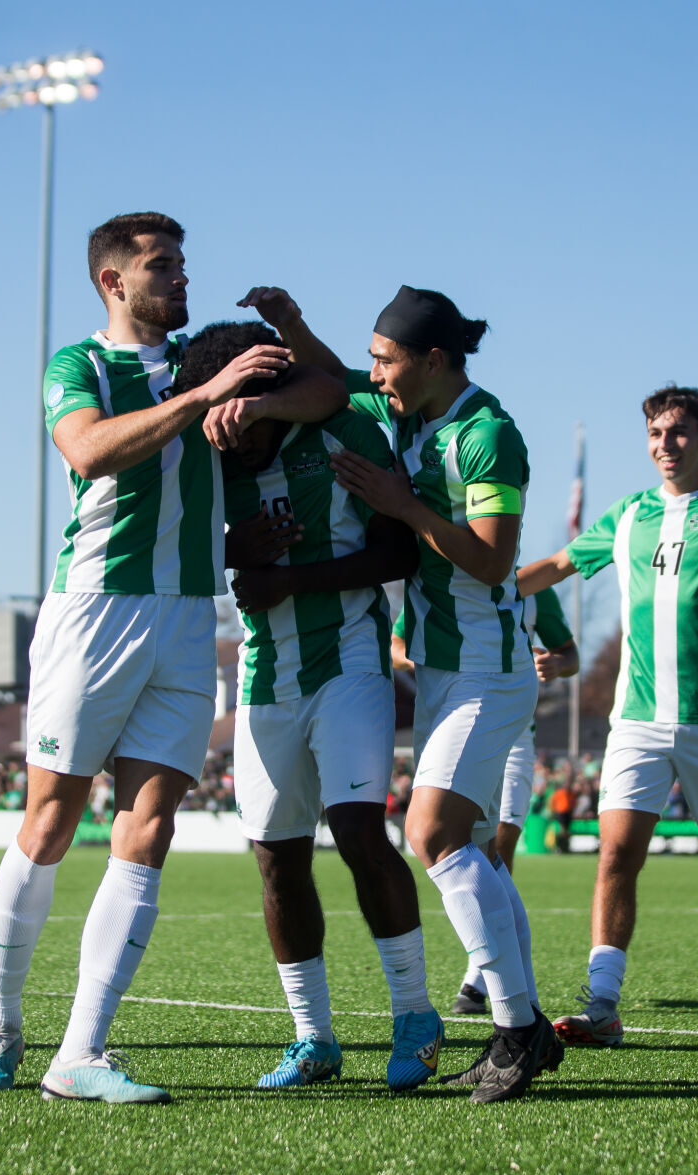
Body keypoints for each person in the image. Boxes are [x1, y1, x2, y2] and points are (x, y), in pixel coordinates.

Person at [0, 214, 345, 1104]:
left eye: (182, 264)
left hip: (186, 620)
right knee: (50, 822)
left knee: (149, 829)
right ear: (112, 282)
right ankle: (1, 1025)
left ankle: (79, 1053)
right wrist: (199, 399)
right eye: (159, 267)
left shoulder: (206, 366)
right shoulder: (80, 366)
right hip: (94, 610)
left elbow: (332, 391)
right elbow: (90, 450)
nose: (178, 279)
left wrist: (258, 386)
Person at [272, 283, 555, 1103]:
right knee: (462, 846)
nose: (374, 374)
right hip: (436, 666)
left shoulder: (487, 433)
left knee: (430, 834)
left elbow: (494, 562)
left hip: (489, 667)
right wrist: (290, 325)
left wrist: (400, 504)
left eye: (386, 360)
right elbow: (331, 374)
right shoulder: (409, 411)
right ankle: (521, 1024)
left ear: (435, 361)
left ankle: (517, 1029)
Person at [184, 314, 436, 1091]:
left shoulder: (343, 427)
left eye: (247, 416)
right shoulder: (208, 454)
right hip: (263, 676)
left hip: (350, 661)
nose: (235, 438)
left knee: (359, 829)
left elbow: (399, 549)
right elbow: (176, 534)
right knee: (275, 858)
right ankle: (313, 1037)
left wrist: (287, 578)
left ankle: (415, 1016)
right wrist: (239, 552)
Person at [517, 384, 698, 1044]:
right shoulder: (627, 515)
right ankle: (603, 1005)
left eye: (676, 432)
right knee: (615, 852)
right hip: (636, 719)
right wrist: (488, 583)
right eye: (654, 434)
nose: (664, 445)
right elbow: (559, 564)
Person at [443, 575, 579, 1017]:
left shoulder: (538, 586)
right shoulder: (447, 574)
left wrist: (556, 665)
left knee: (499, 845)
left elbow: (570, 654)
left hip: (517, 732)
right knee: (455, 843)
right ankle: (500, 983)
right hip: (457, 719)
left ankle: (480, 978)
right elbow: (398, 646)